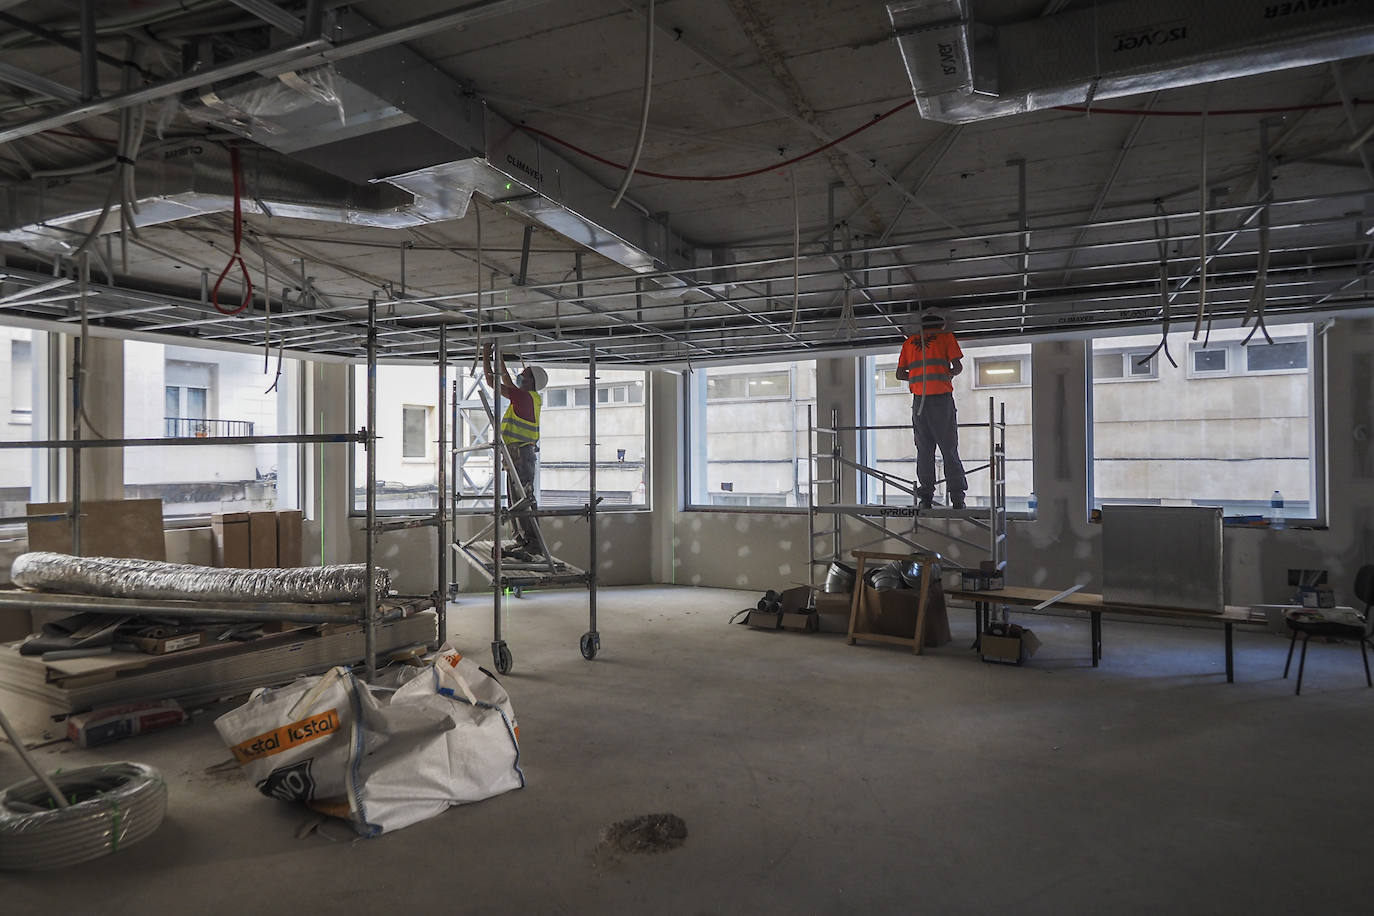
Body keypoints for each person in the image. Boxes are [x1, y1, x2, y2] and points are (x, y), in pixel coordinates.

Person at [895, 310, 967, 510]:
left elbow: (900, 374)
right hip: (941, 401)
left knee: (924, 450)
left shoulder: (909, 342)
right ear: (941, 324)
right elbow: (958, 366)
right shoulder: (945, 336)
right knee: (949, 449)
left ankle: (925, 498)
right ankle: (958, 498)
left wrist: (920, 376)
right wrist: (948, 373)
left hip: (920, 403)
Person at [482, 344, 548, 556]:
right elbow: (507, 381)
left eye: (524, 374)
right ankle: (523, 540)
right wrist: (498, 355)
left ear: (530, 382)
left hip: (521, 456)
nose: (519, 375)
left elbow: (493, 381)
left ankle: (533, 543)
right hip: (519, 455)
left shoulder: (524, 397)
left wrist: (485, 354)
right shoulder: (529, 397)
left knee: (523, 501)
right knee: (517, 501)